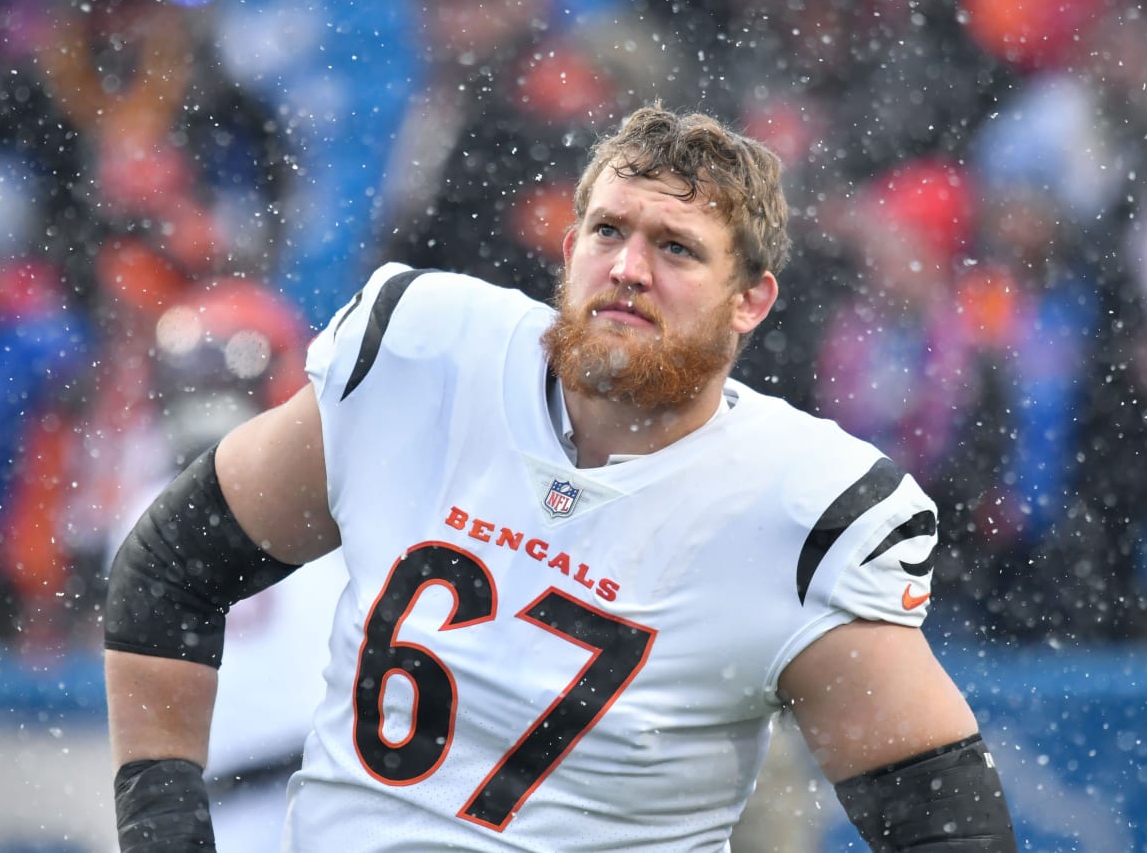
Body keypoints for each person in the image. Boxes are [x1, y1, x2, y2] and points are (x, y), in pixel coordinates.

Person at [103, 105, 1017, 851]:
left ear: (752, 301)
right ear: (569, 247)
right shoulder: (426, 357)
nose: (628, 268)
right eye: (610, 232)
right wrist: (163, 827)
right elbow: (169, 571)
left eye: (677, 248)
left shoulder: (793, 504)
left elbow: (946, 821)